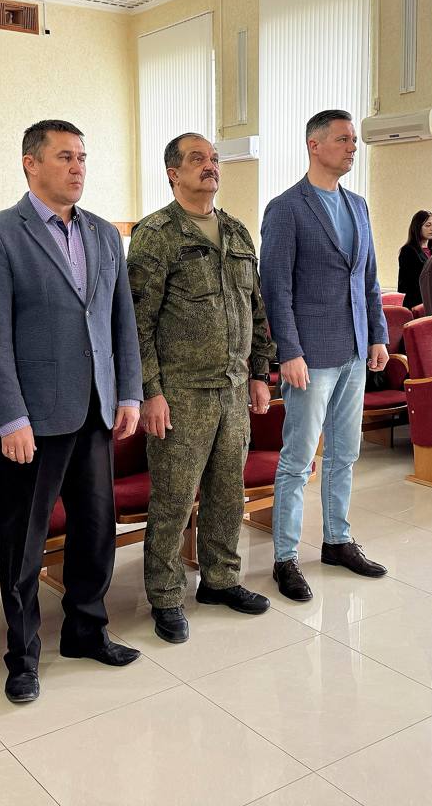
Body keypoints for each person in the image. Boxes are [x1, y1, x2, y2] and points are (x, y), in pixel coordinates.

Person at [0, 119, 143, 706]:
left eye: (83, 157)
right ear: (30, 163)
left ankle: (86, 630)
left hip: (95, 408)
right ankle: (22, 656)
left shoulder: (103, 235)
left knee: (96, 530)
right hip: (34, 421)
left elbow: (120, 322)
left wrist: (129, 393)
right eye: (65, 156)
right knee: (25, 543)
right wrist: (9, 417)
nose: (77, 167)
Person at [126, 133, 276, 644]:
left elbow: (256, 309)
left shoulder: (236, 231)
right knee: (172, 499)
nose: (210, 166)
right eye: (198, 159)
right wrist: (151, 390)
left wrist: (260, 374)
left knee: (227, 493)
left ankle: (220, 580)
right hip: (180, 392)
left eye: (213, 159)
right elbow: (138, 323)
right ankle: (166, 595)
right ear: (173, 172)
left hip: (233, 387)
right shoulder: (156, 234)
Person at [259, 109, 389, 602]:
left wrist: (377, 335)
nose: (353, 147)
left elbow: (369, 278)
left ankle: (337, 540)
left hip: (354, 349)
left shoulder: (357, 205)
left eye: (354, 140)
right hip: (309, 356)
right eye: (343, 139)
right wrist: (288, 351)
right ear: (314, 145)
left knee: (345, 454)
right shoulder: (286, 208)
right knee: (298, 460)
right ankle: (285, 557)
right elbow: (275, 289)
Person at [397, 210, 432, 308]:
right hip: (416, 301)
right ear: (417, 227)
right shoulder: (408, 250)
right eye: (428, 225)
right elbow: (405, 284)